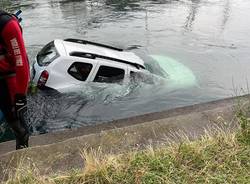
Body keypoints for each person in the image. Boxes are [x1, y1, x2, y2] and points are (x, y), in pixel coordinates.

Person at [0, 10, 30, 149]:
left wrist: (20, 95)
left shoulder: (7, 24)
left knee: (17, 125)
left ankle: (23, 159)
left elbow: (21, 61)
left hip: (8, 81)